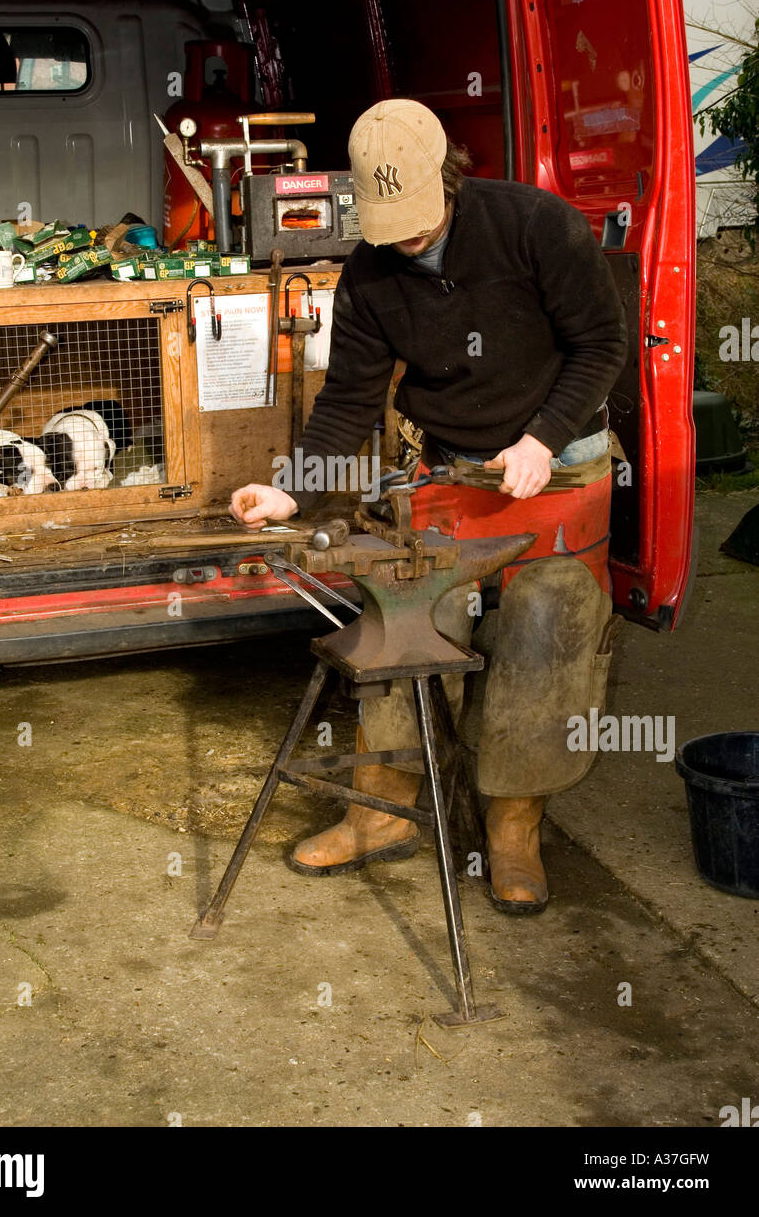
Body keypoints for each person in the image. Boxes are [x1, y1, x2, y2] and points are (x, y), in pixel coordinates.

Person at [231, 99, 628, 913]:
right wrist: (291, 487)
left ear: (447, 175)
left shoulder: (535, 227)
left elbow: (602, 345)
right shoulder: (373, 276)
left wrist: (544, 439)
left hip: (557, 471)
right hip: (451, 476)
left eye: (415, 219)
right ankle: (384, 814)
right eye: (389, 224)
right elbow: (349, 401)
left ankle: (514, 828)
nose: (405, 238)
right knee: (401, 622)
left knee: (541, 639)